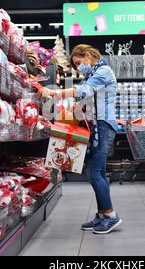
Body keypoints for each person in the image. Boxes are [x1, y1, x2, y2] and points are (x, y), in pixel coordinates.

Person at [39, 44, 122, 234]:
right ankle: (102, 214)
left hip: (103, 126)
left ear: (87, 55)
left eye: (78, 62)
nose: (78, 67)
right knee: (97, 172)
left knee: (94, 172)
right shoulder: (92, 74)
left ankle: (111, 216)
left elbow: (83, 91)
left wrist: (55, 92)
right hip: (95, 126)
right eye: (75, 65)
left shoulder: (103, 71)